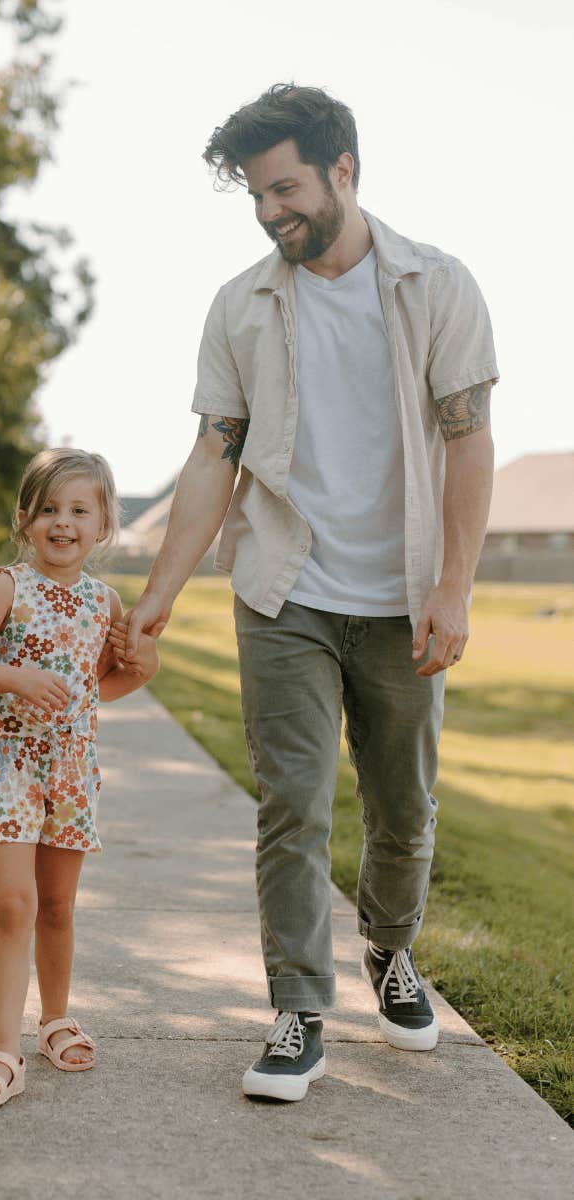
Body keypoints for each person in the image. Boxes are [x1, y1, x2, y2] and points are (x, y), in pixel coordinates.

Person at [123, 83, 497, 1102]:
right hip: (282, 591)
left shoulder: (439, 285)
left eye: (283, 187)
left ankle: (390, 950)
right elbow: (213, 456)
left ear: (343, 170)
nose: (268, 210)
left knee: (403, 810)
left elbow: (468, 445)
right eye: (254, 194)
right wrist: (159, 594)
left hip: (403, 596)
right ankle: (297, 1011)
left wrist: (453, 590)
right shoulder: (240, 304)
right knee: (292, 806)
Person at [0, 448, 159, 1107]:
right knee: (12, 906)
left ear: (105, 525)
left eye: (80, 510)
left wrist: (143, 663)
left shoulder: (104, 600)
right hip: (7, 765)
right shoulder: (7, 587)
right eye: (50, 509)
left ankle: (55, 1019)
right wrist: (12, 676)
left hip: (72, 770)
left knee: (57, 907)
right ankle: (4, 1050)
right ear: (24, 520)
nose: (64, 523)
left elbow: (101, 688)